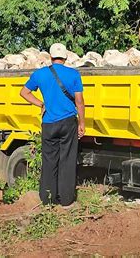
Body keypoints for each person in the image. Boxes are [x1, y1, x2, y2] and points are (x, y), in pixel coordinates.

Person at [19, 43, 85, 208]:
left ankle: (47, 198)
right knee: (67, 160)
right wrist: (82, 123)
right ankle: (66, 199)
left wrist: (41, 104)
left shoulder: (40, 74)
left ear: (50, 57)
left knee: (49, 161)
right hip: (68, 122)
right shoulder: (73, 74)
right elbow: (79, 101)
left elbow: (24, 92)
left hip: (49, 123)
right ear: (66, 57)